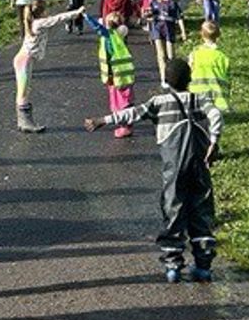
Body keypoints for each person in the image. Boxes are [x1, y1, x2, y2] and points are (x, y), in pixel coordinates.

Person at [86, 57, 219, 282]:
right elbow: (216, 115)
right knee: (201, 211)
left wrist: (104, 120)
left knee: (173, 211)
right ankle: (203, 265)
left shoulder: (159, 102)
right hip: (199, 166)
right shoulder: (199, 99)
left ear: (165, 80)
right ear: (190, 79)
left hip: (173, 169)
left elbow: (132, 113)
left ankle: (173, 266)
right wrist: (214, 142)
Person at [13, 0, 83, 132]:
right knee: (23, 93)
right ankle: (25, 123)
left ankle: (24, 122)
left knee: (24, 91)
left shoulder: (34, 22)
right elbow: (58, 19)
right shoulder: (39, 23)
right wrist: (77, 12)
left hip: (25, 59)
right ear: (42, 11)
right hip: (24, 60)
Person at [89, 13, 136, 137]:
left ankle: (124, 126)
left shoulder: (109, 35)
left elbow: (97, 27)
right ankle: (127, 123)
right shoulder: (120, 34)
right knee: (126, 100)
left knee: (120, 102)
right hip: (124, 74)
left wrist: (86, 16)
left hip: (116, 75)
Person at [188, 20, 231, 126]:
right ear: (218, 35)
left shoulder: (195, 54)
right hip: (217, 93)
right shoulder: (222, 56)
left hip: (198, 90)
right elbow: (226, 72)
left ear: (201, 34)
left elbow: (190, 68)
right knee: (215, 116)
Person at [146, 0, 184, 85]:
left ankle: (172, 75)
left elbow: (179, 17)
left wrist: (183, 32)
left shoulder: (173, 2)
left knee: (171, 56)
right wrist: (149, 30)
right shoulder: (154, 0)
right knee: (161, 55)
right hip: (157, 29)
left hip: (169, 30)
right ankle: (163, 77)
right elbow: (150, 16)